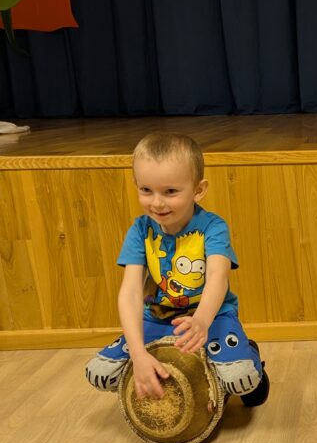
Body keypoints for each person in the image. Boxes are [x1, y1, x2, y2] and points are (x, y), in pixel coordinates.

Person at [85, 132, 269, 407]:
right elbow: (131, 292)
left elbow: (217, 277)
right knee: (101, 374)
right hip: (159, 318)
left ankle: (248, 353)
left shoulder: (213, 227)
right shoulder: (140, 230)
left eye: (170, 192)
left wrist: (202, 322)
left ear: (198, 190)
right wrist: (138, 354)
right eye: (146, 190)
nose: (157, 202)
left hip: (210, 317)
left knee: (241, 379)